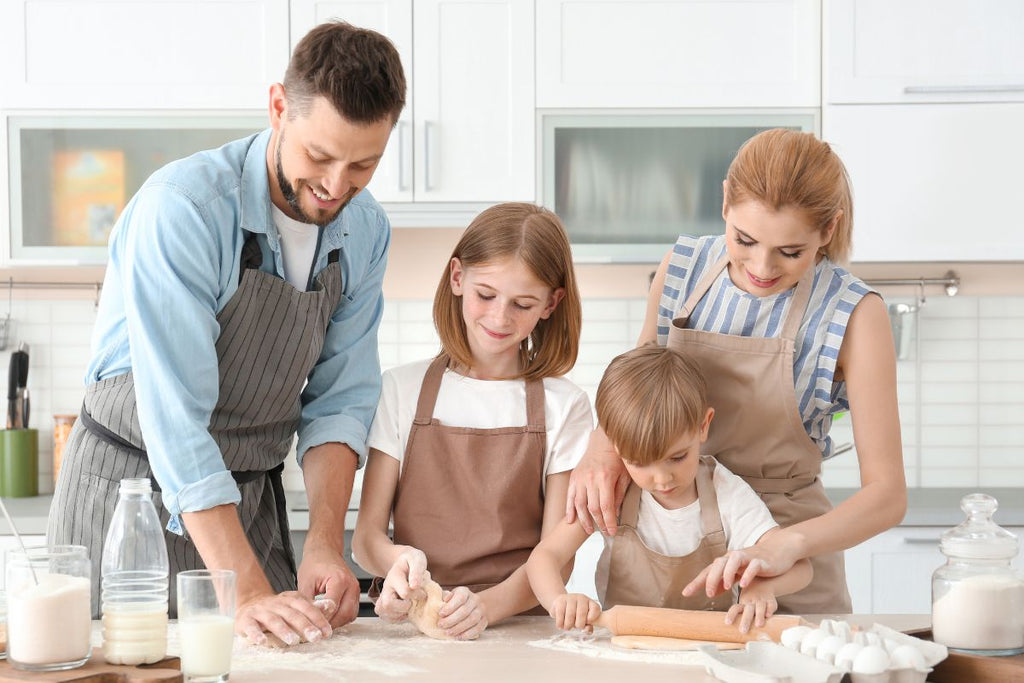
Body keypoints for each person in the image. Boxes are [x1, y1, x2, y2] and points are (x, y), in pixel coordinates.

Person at [47, 21, 406, 646]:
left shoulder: (365, 232)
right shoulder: (183, 211)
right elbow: (178, 421)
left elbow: (339, 402)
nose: (335, 187)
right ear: (277, 108)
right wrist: (247, 589)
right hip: (128, 496)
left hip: (247, 497)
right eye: (319, 156)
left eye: (364, 165)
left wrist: (325, 543)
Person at [565, 129, 906, 614]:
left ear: (828, 230)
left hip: (785, 560)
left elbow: (887, 495)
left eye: (791, 252)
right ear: (725, 201)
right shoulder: (681, 270)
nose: (762, 267)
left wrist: (786, 546)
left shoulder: (854, 314)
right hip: (675, 543)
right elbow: (635, 384)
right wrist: (602, 450)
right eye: (744, 240)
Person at [352, 202, 592, 640]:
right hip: (420, 629)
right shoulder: (401, 390)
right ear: (458, 278)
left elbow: (558, 555)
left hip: (521, 631)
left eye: (522, 304)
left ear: (550, 304)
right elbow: (366, 538)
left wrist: (486, 608)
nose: (500, 318)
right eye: (486, 295)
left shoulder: (566, 407)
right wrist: (398, 567)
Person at [528, 345, 812, 633]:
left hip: (709, 648)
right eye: (639, 463)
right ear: (613, 445)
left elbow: (801, 567)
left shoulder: (725, 493)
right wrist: (561, 601)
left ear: (703, 425)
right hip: (624, 648)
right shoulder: (615, 491)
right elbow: (544, 557)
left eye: (677, 457)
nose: (663, 479)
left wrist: (763, 587)